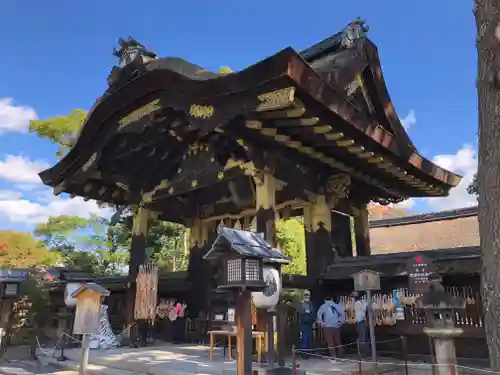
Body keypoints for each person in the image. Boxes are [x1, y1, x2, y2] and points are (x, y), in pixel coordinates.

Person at [297, 290, 315, 359]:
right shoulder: (301, 304)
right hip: (303, 324)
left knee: (309, 339)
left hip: (309, 324)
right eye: (306, 295)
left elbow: (312, 313)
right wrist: (307, 312)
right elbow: (300, 311)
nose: (307, 296)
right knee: (304, 339)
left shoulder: (311, 304)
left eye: (308, 295)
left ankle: (307, 354)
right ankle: (304, 355)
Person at [353, 292, 369, 356]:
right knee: (364, 337)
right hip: (363, 321)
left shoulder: (357, 303)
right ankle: (365, 352)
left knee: (362, 337)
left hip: (361, 321)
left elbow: (362, 311)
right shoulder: (364, 302)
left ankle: (363, 353)